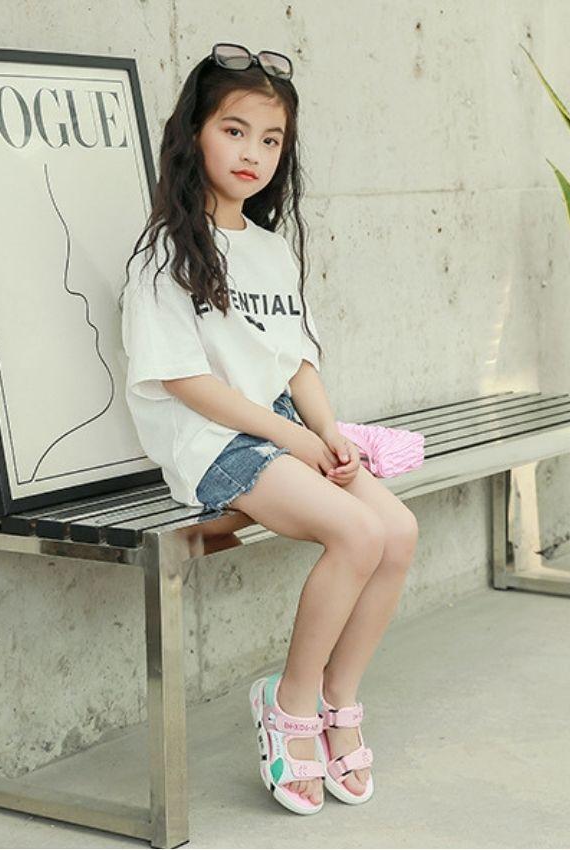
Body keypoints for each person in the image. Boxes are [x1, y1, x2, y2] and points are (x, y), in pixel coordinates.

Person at [120, 42, 418, 815]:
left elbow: (297, 365)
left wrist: (329, 434)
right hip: (210, 441)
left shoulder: (271, 249)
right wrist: (295, 441)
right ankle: (288, 701)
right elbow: (186, 383)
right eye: (234, 130)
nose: (253, 152)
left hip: (281, 431)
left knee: (397, 531)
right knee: (355, 534)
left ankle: (337, 700)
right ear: (193, 134)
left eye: (271, 139)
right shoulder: (165, 253)